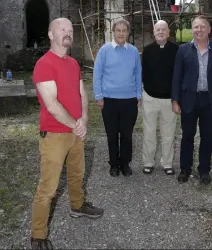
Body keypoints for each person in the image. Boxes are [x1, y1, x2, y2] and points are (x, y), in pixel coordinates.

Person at [31, 18, 103, 250]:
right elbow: (51, 104)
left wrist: (83, 120)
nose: (68, 33)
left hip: (75, 132)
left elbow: (82, 92)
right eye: (62, 30)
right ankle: (38, 235)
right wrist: (75, 124)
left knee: (76, 174)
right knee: (48, 188)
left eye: (70, 30)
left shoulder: (73, 63)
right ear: (51, 35)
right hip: (54, 135)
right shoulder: (44, 64)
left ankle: (77, 205)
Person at [172, 15, 212, 185]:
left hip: (210, 101)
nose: (198, 30)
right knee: (187, 136)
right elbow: (177, 76)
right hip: (189, 99)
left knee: (207, 137)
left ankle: (204, 170)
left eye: (202, 27)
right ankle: (185, 169)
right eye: (195, 27)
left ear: (209, 29)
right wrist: (175, 100)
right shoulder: (183, 50)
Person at [93, 18, 142, 177]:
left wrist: (138, 95)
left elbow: (138, 74)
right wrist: (98, 96)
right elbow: (97, 74)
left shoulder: (133, 51)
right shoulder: (104, 50)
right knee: (112, 134)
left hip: (129, 100)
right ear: (113, 32)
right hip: (109, 100)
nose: (121, 33)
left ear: (128, 32)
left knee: (127, 135)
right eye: (118, 30)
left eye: (124, 30)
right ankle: (114, 164)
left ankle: (125, 164)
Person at [142, 20, 179, 175]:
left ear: (168, 33)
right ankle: (148, 162)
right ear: (154, 32)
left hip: (169, 100)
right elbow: (143, 73)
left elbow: (179, 75)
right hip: (150, 98)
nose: (161, 32)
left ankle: (167, 163)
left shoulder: (177, 50)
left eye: (164, 29)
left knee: (168, 133)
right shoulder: (147, 50)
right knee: (149, 132)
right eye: (158, 29)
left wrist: (177, 98)